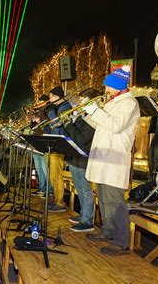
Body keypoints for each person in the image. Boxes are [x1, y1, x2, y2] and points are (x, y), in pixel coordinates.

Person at [83, 66, 140, 255]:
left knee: (115, 201)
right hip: (103, 157)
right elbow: (102, 124)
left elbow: (115, 126)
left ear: (119, 86)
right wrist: (87, 114)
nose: (106, 90)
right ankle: (108, 232)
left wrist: (96, 111)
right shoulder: (112, 102)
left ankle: (122, 242)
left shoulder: (129, 103)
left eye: (109, 87)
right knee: (104, 198)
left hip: (114, 158)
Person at [63, 88, 99, 232]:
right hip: (75, 156)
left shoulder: (93, 117)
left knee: (85, 189)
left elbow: (81, 139)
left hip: (85, 157)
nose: (81, 103)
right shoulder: (85, 115)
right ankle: (83, 214)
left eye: (83, 100)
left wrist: (70, 123)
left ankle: (87, 220)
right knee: (79, 188)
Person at [45, 86, 72, 212]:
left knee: (56, 175)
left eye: (51, 96)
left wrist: (50, 112)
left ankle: (60, 202)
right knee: (52, 175)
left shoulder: (65, 107)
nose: (49, 99)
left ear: (57, 97)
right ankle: (56, 199)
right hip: (53, 143)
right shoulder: (57, 108)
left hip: (59, 144)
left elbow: (57, 124)